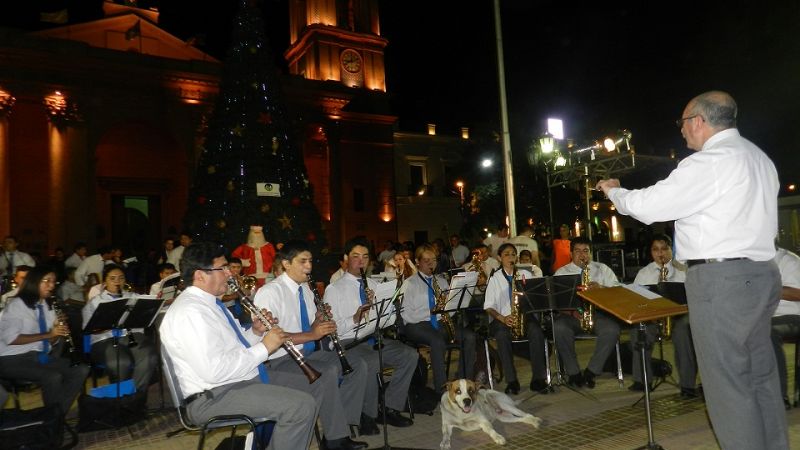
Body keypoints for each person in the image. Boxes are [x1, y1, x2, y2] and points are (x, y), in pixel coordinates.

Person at [597, 91, 786, 449]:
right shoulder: (759, 158)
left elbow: (650, 206)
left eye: (682, 123)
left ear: (698, 121)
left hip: (722, 282)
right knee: (760, 377)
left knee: (728, 387)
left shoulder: (709, 162)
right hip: (761, 275)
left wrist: (615, 192)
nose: (681, 131)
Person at [159, 242, 318, 449]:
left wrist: (256, 332)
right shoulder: (191, 312)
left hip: (234, 382)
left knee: (312, 389)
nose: (229, 274)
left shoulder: (210, 304)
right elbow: (213, 371)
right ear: (200, 275)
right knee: (300, 407)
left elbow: (235, 346)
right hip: (212, 396)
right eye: (222, 268)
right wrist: (265, 348)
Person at [254, 240, 369, 449]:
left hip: (306, 354)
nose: (309, 266)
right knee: (328, 373)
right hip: (280, 360)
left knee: (357, 365)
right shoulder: (270, 292)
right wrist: (312, 334)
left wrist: (319, 319)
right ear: (286, 264)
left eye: (311, 261)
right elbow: (271, 338)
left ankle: (343, 426)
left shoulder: (305, 289)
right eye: (303, 261)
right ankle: (336, 439)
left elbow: (310, 326)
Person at [324, 237, 416, 430]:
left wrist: (391, 307)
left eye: (365, 256)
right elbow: (333, 330)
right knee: (371, 360)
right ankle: (367, 413)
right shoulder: (334, 289)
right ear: (346, 258)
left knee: (409, 355)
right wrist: (356, 317)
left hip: (371, 339)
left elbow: (385, 321)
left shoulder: (373, 286)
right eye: (356, 256)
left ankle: (389, 407)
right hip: (347, 342)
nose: (361, 261)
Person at [0, 266, 89, 416]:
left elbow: (51, 342)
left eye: (54, 282)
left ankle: (55, 418)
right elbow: (11, 338)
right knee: (52, 376)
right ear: (34, 282)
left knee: (81, 369)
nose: (52, 285)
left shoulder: (47, 306)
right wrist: (48, 334)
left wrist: (57, 332)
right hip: (10, 359)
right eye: (47, 281)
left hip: (38, 357)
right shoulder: (17, 305)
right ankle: (52, 422)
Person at [401, 244, 476, 393]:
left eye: (433, 260)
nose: (431, 263)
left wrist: (448, 307)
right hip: (416, 324)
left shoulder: (441, 281)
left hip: (441, 322)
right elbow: (406, 314)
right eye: (426, 260)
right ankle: (441, 389)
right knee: (437, 340)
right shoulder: (409, 283)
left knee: (470, 336)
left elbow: (452, 309)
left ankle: (461, 381)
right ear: (417, 261)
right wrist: (431, 311)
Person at [629, 235, 698, 398]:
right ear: (651, 253)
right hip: (654, 315)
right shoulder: (644, 273)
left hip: (679, 315)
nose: (661, 253)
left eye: (664, 248)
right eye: (656, 249)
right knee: (639, 329)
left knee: (683, 332)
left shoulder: (683, 270)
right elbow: (635, 298)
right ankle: (642, 380)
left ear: (671, 250)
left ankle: (687, 384)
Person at [553, 237, 621, 388]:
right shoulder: (562, 272)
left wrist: (601, 288)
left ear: (591, 253)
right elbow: (556, 302)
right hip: (571, 316)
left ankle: (592, 371)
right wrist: (573, 312)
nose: (582, 255)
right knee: (558, 328)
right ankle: (574, 373)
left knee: (612, 330)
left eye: (585, 251)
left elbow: (618, 292)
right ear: (571, 254)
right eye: (577, 251)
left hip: (598, 314)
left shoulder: (602, 269)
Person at [484, 243, 547, 394]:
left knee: (537, 332)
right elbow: (488, 307)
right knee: (501, 335)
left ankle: (538, 379)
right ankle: (511, 381)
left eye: (513, 254)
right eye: (507, 254)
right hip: (502, 319)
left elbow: (536, 299)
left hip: (525, 316)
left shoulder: (527, 274)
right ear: (499, 258)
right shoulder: (494, 279)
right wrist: (503, 318)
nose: (511, 257)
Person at [82, 264, 157, 391]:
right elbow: (87, 329)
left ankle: (135, 397)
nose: (117, 282)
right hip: (104, 340)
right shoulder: (95, 302)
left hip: (130, 336)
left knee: (149, 355)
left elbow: (142, 323)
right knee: (121, 362)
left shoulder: (133, 297)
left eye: (121, 278)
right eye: (112, 278)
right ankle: (122, 401)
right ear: (104, 281)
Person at [770, 246, 800, 409]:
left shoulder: (787, 260)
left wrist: (769, 288)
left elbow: (798, 293)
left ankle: (779, 397)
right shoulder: (750, 262)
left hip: (792, 316)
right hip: (763, 318)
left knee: (766, 333)